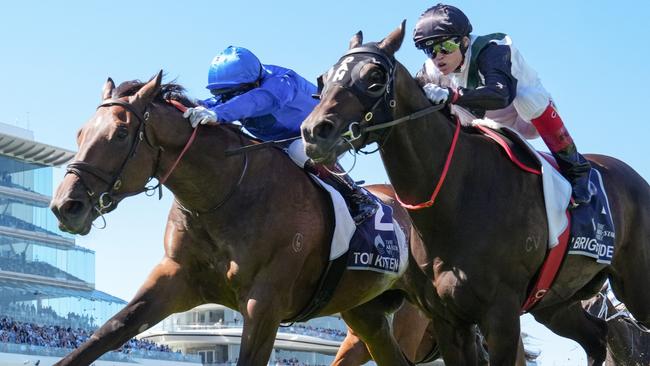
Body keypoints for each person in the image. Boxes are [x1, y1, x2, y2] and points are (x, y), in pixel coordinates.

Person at [412, 4, 594, 205]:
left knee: (529, 99)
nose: (438, 57)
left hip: (521, 112)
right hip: (484, 119)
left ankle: (576, 168)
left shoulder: (492, 49)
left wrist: (452, 95)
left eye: (445, 47)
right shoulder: (431, 68)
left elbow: (501, 94)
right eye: (430, 50)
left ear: (464, 41)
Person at [182, 46, 377, 222]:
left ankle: (357, 196)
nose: (229, 98)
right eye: (224, 93)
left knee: (299, 150)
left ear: (255, 82)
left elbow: (256, 101)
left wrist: (218, 113)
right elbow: (216, 103)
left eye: (233, 93)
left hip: (327, 134)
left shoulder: (281, 83)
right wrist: (184, 104)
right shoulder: (244, 85)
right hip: (282, 141)